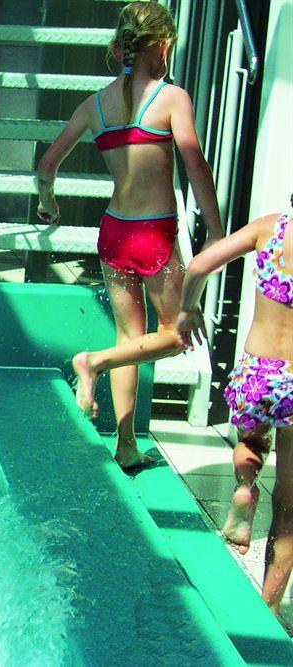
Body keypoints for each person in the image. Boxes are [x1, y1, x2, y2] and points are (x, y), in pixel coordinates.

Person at [35, 1, 223, 469]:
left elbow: (47, 165)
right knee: (176, 335)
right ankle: (93, 363)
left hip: (115, 232)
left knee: (129, 340)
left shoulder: (94, 105)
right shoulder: (171, 98)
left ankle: (125, 444)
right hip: (154, 234)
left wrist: (49, 203)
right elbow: (196, 166)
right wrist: (217, 232)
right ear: (162, 46)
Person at [176, 200, 293, 617]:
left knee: (251, 443)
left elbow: (198, 265)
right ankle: (270, 608)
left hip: (258, 371)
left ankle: (245, 485)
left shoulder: (269, 228)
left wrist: (188, 309)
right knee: (289, 507)